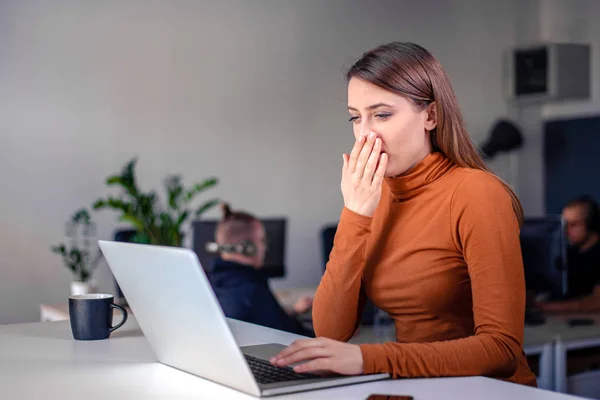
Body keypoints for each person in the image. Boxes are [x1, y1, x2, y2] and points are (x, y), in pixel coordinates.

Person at [270, 42, 536, 386]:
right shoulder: (373, 199)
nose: (365, 134)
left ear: (431, 115)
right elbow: (331, 330)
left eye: (381, 114)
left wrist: (369, 359)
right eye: (355, 117)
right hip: (416, 385)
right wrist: (354, 214)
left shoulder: (477, 194)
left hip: (488, 391)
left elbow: (502, 350)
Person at [209, 203, 314, 337]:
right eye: (262, 240)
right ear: (248, 248)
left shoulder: (213, 283)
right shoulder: (252, 290)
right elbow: (290, 337)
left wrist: (292, 310)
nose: (265, 247)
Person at [536, 195, 600, 312]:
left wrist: (546, 307)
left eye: (574, 225)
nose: (566, 231)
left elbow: (596, 303)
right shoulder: (568, 254)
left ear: (591, 224)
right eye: (565, 225)